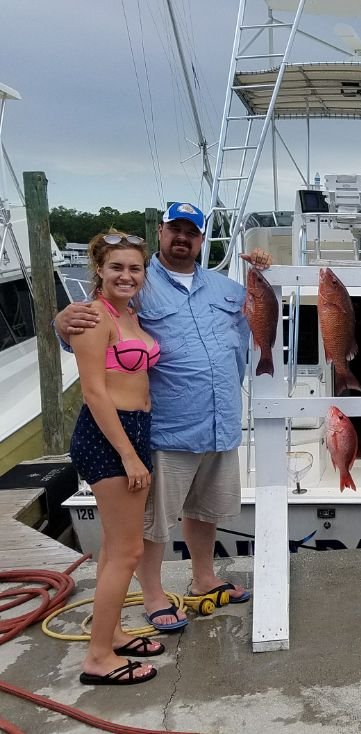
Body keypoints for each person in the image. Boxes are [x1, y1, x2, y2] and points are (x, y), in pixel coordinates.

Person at [57, 202, 271, 630]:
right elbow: (89, 326)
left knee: (204, 512)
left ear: (202, 239)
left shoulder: (225, 288)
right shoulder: (137, 280)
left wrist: (265, 273)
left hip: (221, 421)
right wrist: (62, 323)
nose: (182, 238)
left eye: (191, 232)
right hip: (168, 426)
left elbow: (264, 315)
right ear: (161, 231)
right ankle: (153, 595)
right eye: (175, 229)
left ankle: (204, 578)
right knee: (155, 524)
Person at [70, 230, 162, 685]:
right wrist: (128, 455)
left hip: (135, 431)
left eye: (135, 268)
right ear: (99, 271)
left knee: (112, 548)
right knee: (129, 550)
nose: (126, 276)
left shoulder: (129, 315)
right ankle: (98, 658)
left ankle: (114, 632)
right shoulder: (93, 318)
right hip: (110, 437)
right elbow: (93, 392)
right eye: (117, 268)